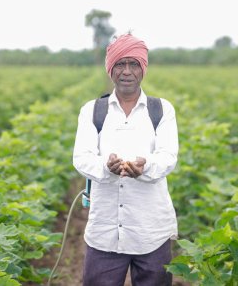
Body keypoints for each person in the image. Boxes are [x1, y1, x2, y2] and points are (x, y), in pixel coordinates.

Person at [73, 32, 179, 286]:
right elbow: (81, 157)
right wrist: (106, 167)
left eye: (134, 64)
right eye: (120, 64)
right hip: (105, 232)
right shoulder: (93, 111)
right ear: (110, 69)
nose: (127, 71)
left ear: (143, 68)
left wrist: (144, 168)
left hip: (151, 230)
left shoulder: (161, 109)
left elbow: (168, 157)